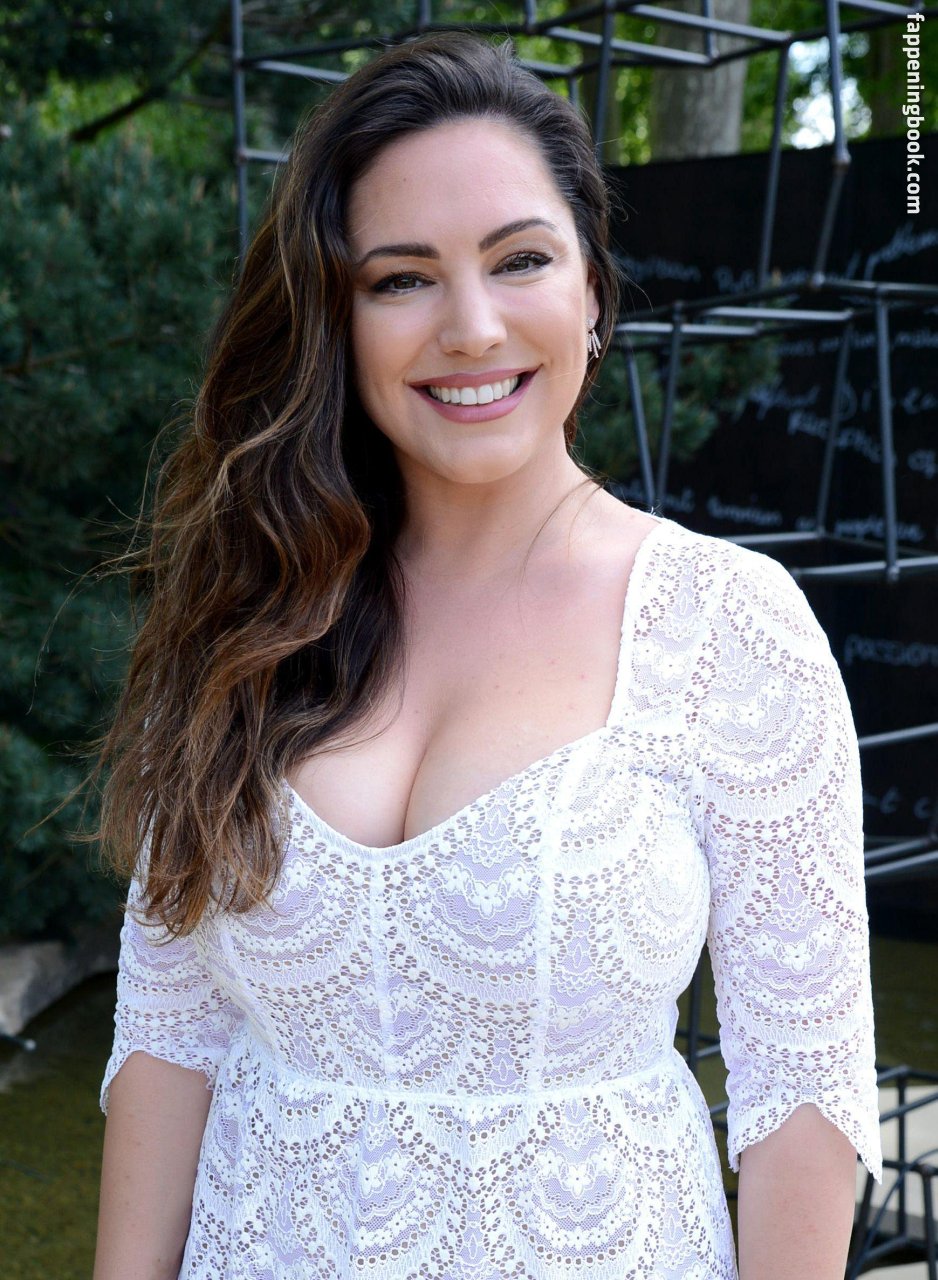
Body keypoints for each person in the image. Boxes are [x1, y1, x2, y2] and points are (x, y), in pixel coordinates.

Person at [93, 31, 882, 1280]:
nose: (470, 327)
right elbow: (168, 1029)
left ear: (591, 293)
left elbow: (801, 1095)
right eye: (400, 278)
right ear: (335, 318)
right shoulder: (250, 603)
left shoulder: (726, 625)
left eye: (519, 260)